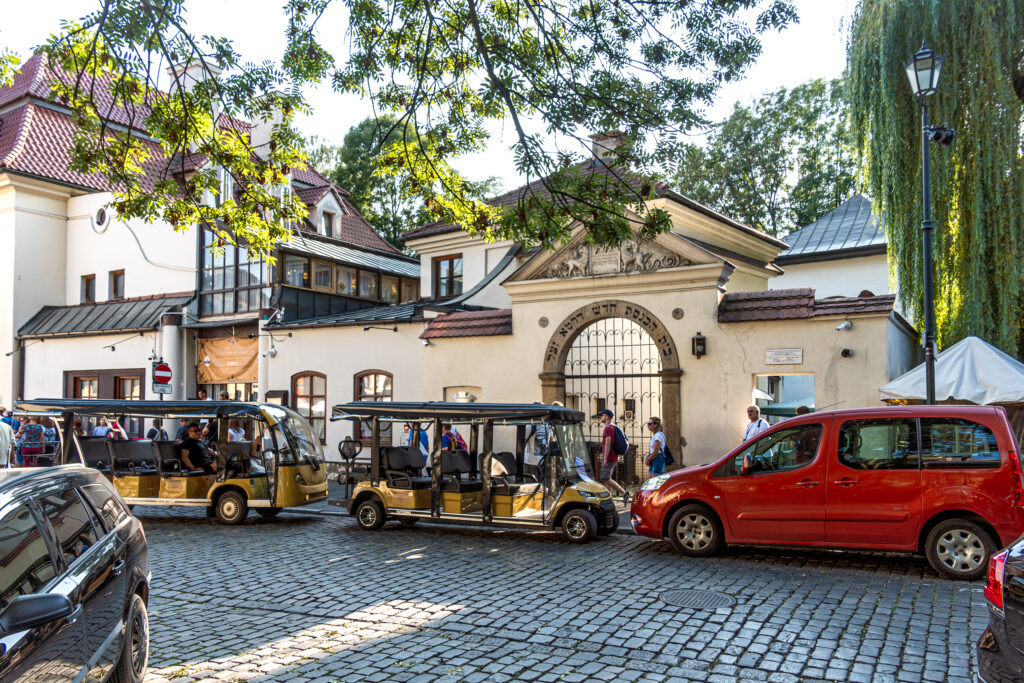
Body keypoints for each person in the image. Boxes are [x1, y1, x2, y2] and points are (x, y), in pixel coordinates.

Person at [595, 409, 628, 501]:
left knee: (604, 478)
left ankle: (624, 493)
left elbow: (608, 443)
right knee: (608, 477)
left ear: (607, 417)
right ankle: (608, 497)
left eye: (602, 415)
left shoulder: (608, 428)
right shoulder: (613, 427)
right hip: (613, 456)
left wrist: (605, 458)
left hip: (609, 456)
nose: (601, 417)